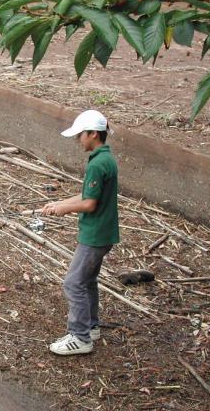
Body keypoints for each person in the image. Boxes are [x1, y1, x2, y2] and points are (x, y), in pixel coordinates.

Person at [41, 110, 119, 356]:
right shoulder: (104, 159)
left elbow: (89, 205)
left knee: (73, 283)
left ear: (93, 134)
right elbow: (88, 196)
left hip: (94, 235)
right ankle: (91, 326)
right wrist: (58, 203)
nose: (78, 141)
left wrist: (64, 210)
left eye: (80, 136)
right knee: (87, 281)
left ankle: (80, 337)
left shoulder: (98, 164)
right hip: (104, 232)